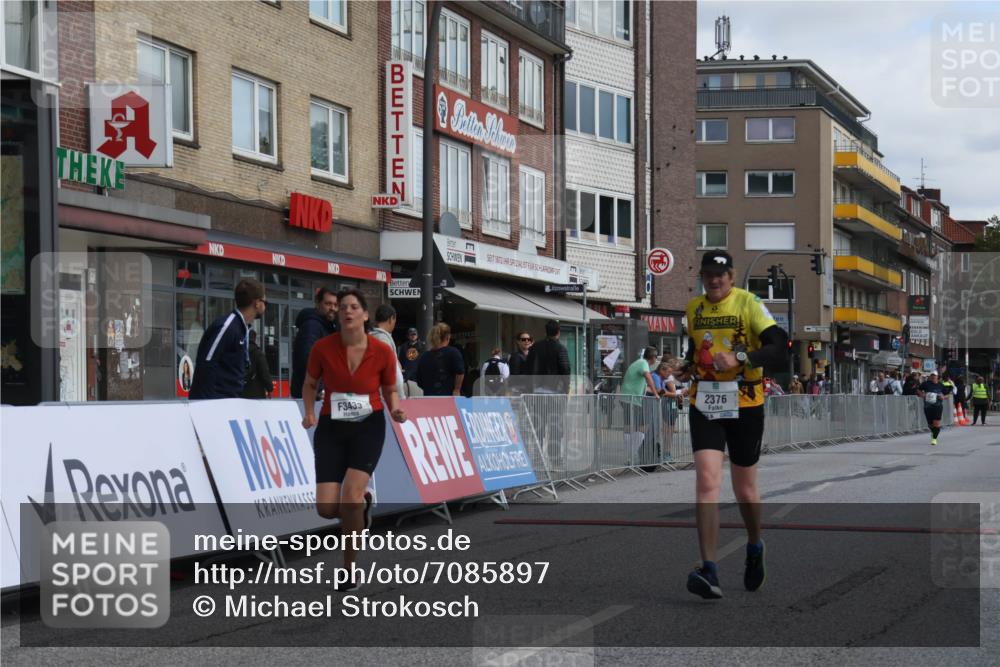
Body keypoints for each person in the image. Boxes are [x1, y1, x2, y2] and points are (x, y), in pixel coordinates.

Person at [676, 250, 788, 600]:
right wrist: (688, 367)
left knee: (745, 490)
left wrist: (741, 357)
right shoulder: (693, 309)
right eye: (708, 274)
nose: (714, 280)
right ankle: (709, 568)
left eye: (720, 275)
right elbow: (697, 352)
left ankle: (755, 544)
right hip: (705, 400)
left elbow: (780, 346)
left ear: (732, 276)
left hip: (746, 402)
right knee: (707, 480)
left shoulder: (749, 303)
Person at [300, 289, 406, 592]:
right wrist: (309, 412)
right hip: (332, 428)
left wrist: (396, 408)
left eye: (354, 307)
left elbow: (390, 389)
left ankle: (348, 570)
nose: (347, 311)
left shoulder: (382, 351)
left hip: (368, 426)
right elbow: (309, 384)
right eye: (343, 307)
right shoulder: (322, 348)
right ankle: (363, 505)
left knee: (350, 496)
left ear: (364, 314)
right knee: (326, 508)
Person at [189, 278, 266, 399]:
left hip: (230, 400)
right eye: (264, 301)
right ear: (257, 303)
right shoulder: (228, 326)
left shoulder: (242, 328)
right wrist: (207, 405)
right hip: (215, 402)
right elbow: (207, 363)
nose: (265, 305)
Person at [291, 287, 337, 399]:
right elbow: (307, 359)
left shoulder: (328, 327)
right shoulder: (312, 326)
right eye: (328, 304)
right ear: (317, 304)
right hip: (312, 397)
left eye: (336, 305)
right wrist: (320, 390)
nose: (333, 308)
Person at [414, 323, 465, 396]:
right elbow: (460, 372)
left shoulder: (424, 357)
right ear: (447, 337)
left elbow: (419, 381)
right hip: (449, 398)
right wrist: (457, 389)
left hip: (429, 399)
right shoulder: (453, 352)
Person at [370, 304, 406, 400]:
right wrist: (401, 398)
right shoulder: (383, 340)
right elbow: (394, 372)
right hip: (386, 398)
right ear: (391, 319)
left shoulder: (368, 338)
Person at [527, 320, 571, 393]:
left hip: (536, 388)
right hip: (555, 388)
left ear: (546, 332)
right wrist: (567, 386)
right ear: (558, 332)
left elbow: (528, 366)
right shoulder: (560, 348)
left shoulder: (535, 347)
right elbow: (565, 369)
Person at [917, 370, 952, 446]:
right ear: (930, 376)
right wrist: (922, 394)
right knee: (930, 424)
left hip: (937, 406)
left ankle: (934, 439)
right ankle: (933, 432)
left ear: (937, 377)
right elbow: (918, 390)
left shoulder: (941, 385)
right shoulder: (925, 384)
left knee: (936, 423)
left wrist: (943, 397)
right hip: (927, 406)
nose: (933, 377)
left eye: (934, 375)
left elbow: (948, 395)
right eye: (932, 375)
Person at [241, 330, 273, 399]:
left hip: (241, 391)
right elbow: (264, 372)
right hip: (256, 393)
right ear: (255, 338)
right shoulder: (258, 353)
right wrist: (269, 388)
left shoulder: (240, 351)